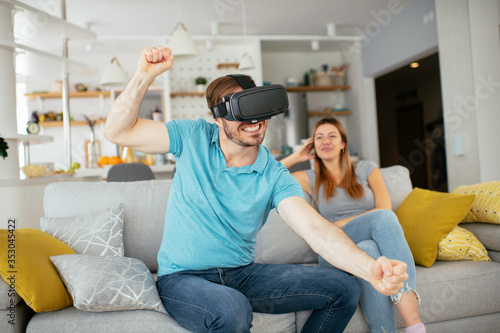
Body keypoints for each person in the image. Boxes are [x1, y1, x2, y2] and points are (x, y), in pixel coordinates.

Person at [103, 46, 409, 333]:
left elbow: (317, 230)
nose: (253, 119)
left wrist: (371, 270)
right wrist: (144, 75)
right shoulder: (192, 137)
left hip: (241, 274)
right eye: (240, 109)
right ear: (218, 118)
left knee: (344, 288)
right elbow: (117, 131)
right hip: (184, 278)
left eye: (256, 105)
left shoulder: (274, 174)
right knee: (231, 307)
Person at [280, 117, 426, 333]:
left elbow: (384, 206)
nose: (325, 141)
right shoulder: (309, 178)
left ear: (343, 144)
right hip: (335, 250)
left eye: (332, 136)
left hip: (362, 240)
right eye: (319, 138)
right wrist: (296, 156)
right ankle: (415, 325)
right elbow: (266, 176)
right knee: (383, 219)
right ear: (313, 146)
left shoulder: (366, 168)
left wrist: (341, 223)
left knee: (369, 248)